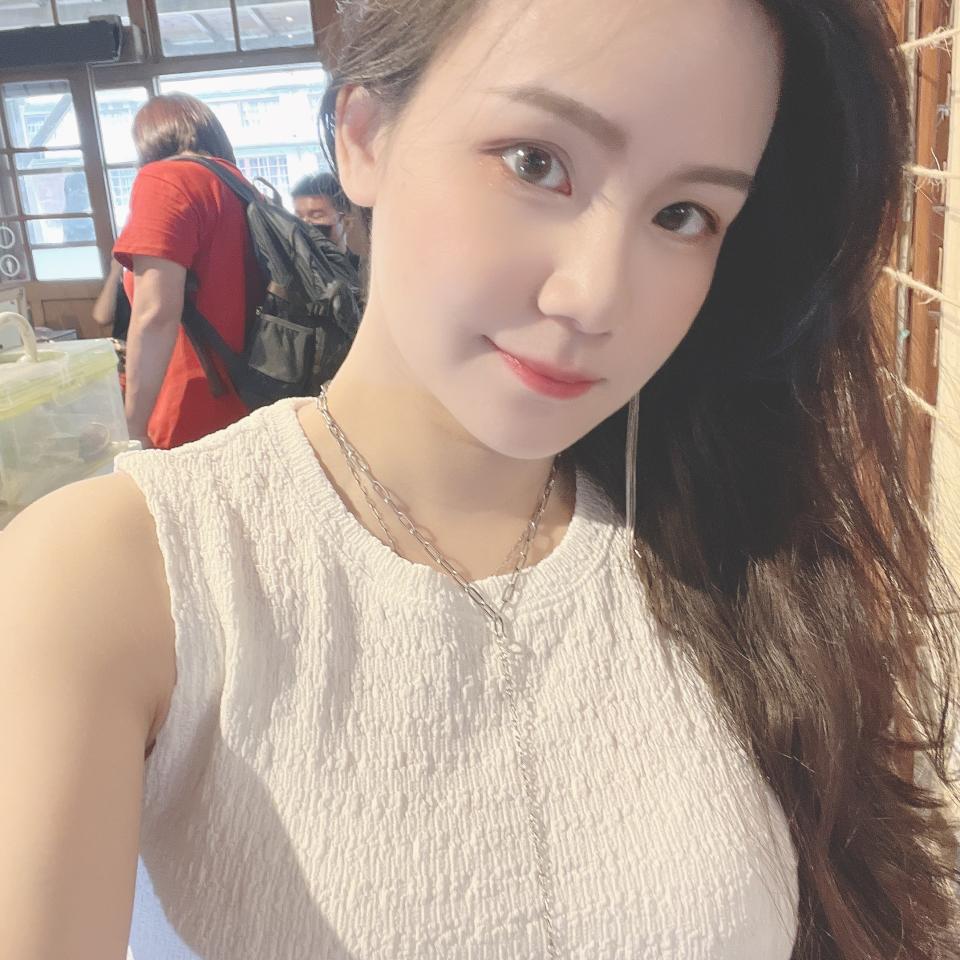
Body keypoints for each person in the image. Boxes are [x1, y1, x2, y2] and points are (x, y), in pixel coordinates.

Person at [1, 1, 958, 959]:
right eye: (536, 163)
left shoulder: (731, 543)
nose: (594, 297)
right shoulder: (123, 576)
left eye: (683, 215)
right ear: (364, 135)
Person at [113, 93, 262, 450]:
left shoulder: (165, 180)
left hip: (190, 407)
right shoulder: (240, 187)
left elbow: (155, 314)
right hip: (254, 398)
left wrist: (134, 427)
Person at [291, 170, 369, 267]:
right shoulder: (290, 271)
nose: (304, 223)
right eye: (298, 216)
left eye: (316, 216)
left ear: (346, 222)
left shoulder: (368, 271)